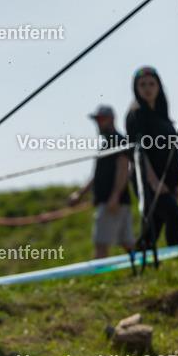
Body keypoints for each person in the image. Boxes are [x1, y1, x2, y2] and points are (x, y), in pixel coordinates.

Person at [125, 66, 178, 248]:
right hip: (149, 182)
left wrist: (174, 184)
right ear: (136, 88)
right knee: (173, 214)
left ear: (159, 86)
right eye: (142, 85)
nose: (148, 88)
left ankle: (141, 262)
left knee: (153, 226)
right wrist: (152, 181)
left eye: (151, 84)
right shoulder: (136, 114)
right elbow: (138, 153)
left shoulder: (162, 115)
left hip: (166, 180)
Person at [68, 104, 135, 259]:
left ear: (111, 119)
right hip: (116, 202)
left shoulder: (117, 141)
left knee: (101, 243)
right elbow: (97, 176)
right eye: (97, 120)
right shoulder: (107, 143)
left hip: (112, 202)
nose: (99, 123)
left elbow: (123, 169)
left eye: (101, 119)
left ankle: (98, 276)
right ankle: (139, 269)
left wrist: (114, 197)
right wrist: (79, 194)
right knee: (127, 242)